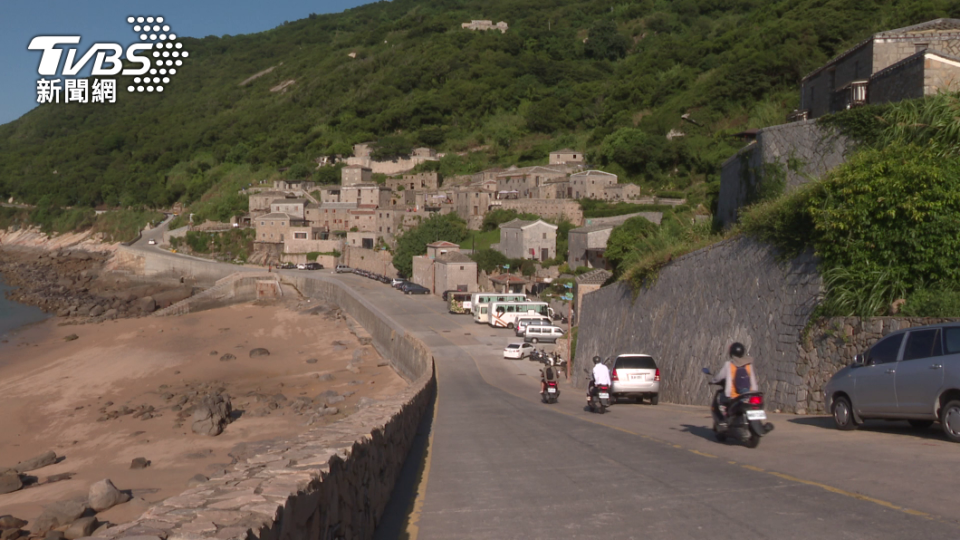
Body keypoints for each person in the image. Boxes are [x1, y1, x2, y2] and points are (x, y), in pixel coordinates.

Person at [710, 342, 759, 425]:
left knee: (722, 399)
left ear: (731, 353)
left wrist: (713, 380)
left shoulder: (729, 365)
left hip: (735, 395)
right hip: (751, 393)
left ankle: (725, 418)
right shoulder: (748, 364)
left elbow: (719, 377)